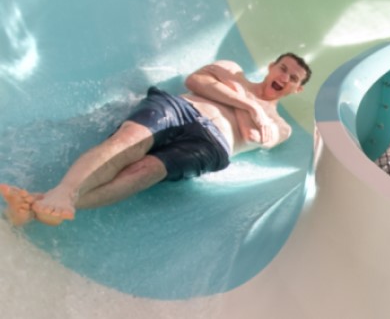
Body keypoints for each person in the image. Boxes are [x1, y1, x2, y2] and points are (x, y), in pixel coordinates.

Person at [1, 53, 311, 227]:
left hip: (211, 145)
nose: (284, 77)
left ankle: (43, 204)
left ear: (296, 90)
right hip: (179, 107)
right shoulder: (234, 69)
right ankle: (62, 192)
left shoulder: (282, 127)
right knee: (127, 142)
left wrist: (232, 93)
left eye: (293, 78)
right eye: (283, 68)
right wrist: (249, 105)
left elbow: (252, 134)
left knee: (145, 172)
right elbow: (196, 81)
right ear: (272, 66)